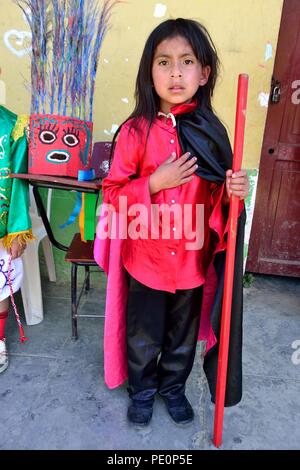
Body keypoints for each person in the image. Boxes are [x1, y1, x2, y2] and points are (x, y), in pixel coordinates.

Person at [94, 18, 249, 426]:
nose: (176, 73)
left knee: (181, 337)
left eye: (186, 61)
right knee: (143, 334)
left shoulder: (212, 132)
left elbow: (218, 201)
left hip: (192, 262)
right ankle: (142, 391)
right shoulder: (134, 132)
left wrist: (232, 192)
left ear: (204, 73)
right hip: (145, 256)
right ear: (150, 70)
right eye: (164, 62)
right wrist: (153, 183)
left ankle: (173, 388)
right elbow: (110, 195)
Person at [0, 105, 33, 374]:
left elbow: (19, 182)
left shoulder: (13, 126)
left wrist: (17, 230)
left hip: (2, 223)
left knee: (0, 282)